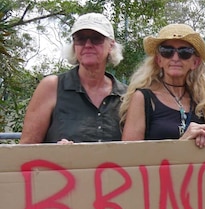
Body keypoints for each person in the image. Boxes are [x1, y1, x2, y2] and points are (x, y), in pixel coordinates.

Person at [20, 13, 126, 143]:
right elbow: (27, 148)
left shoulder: (126, 96)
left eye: (96, 38)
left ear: (111, 45)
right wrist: (55, 153)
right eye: (80, 38)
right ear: (74, 45)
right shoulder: (51, 87)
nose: (87, 44)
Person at [120, 24, 205, 148]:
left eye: (184, 52)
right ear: (158, 60)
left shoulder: (202, 101)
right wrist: (182, 143)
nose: (175, 58)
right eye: (167, 51)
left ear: (195, 62)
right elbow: (128, 155)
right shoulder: (143, 98)